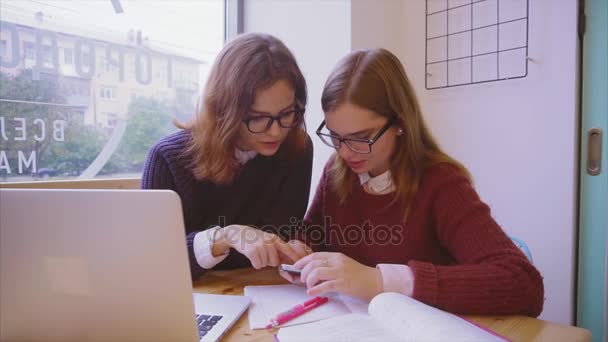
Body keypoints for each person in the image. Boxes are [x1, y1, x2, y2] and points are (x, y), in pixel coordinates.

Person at [281, 48, 544, 316]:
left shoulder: (441, 183)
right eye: (336, 136)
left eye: (361, 137)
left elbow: (523, 284)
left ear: (400, 123)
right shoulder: (337, 172)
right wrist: (298, 251)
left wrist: (381, 281)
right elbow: (313, 234)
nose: (345, 151)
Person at [142, 33, 313, 279]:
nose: (276, 131)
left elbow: (281, 234)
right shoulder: (168, 158)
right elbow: (152, 264)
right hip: (189, 299)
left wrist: (292, 247)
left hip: (262, 291)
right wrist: (225, 236)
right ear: (224, 110)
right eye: (257, 118)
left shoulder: (297, 148)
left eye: (287, 114)